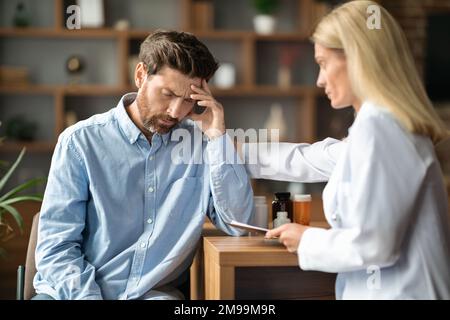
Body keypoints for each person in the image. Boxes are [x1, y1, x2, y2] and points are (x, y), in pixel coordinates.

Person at [242, 1, 450, 299]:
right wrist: (234, 151)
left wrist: (307, 239)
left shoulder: (382, 128)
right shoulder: (378, 126)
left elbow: (375, 245)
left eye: (324, 63)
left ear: (358, 58)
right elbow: (309, 159)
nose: (319, 79)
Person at [33, 30, 254, 300]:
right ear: (140, 75)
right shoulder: (80, 142)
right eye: (168, 94)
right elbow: (56, 247)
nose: (176, 111)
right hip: (73, 293)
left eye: (188, 100)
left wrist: (218, 136)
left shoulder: (201, 146)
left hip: (153, 295)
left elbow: (239, 224)